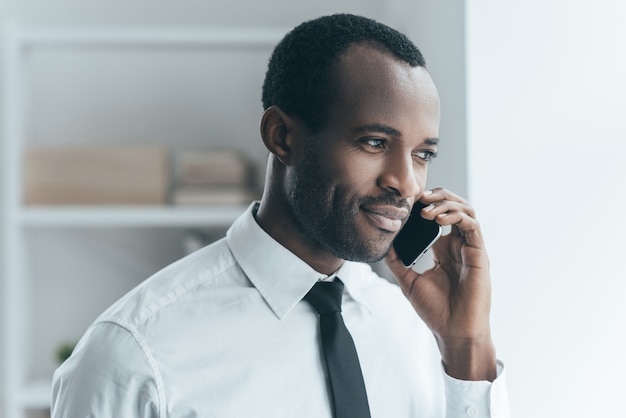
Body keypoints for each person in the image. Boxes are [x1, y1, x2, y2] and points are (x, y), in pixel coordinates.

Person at [52, 13, 509, 417]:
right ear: (282, 136)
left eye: (423, 154)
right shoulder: (133, 354)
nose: (406, 182)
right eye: (374, 143)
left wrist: (465, 349)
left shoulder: (418, 332)